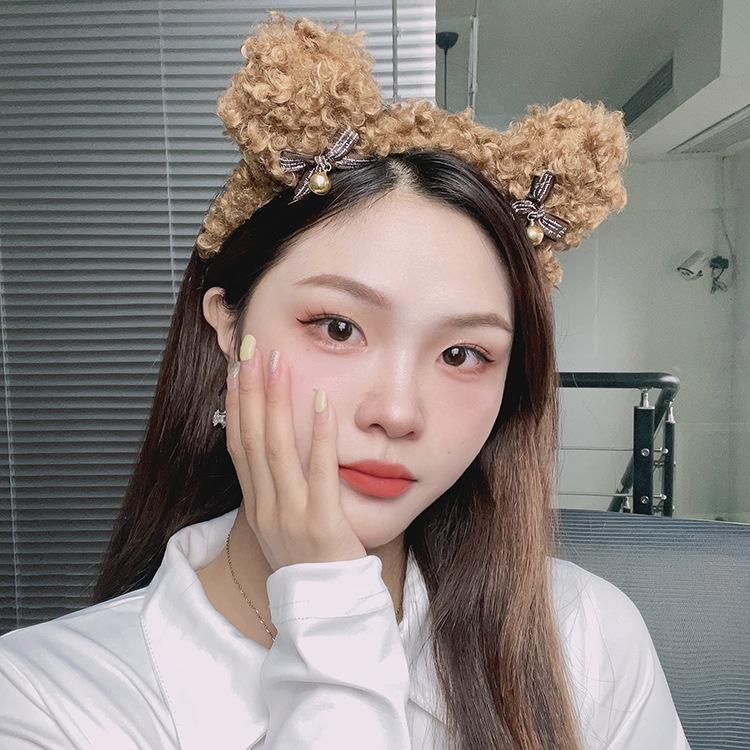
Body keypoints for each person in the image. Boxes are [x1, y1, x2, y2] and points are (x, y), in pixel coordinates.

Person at [0, 11, 692, 750]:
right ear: (228, 326)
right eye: (337, 328)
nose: (397, 411)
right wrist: (327, 607)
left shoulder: (585, 638)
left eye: (463, 354)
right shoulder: (42, 699)